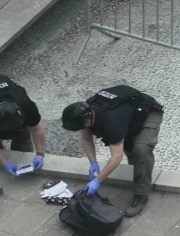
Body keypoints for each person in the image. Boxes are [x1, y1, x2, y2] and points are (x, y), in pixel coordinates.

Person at [62, 85, 163, 217]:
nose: (82, 129)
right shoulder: (86, 110)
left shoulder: (112, 121)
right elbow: (86, 139)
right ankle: (140, 169)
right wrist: (93, 162)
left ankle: (141, 195)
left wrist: (98, 180)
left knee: (141, 150)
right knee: (129, 147)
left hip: (148, 113)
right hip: (127, 115)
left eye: (82, 126)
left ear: (88, 119)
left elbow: (116, 156)